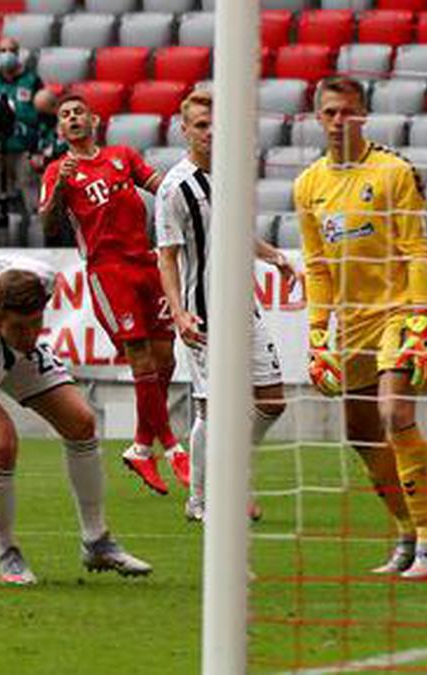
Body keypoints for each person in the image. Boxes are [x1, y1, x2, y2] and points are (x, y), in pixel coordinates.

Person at [0, 255, 152, 587]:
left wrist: (20, 334)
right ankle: (7, 552)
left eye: (36, 323)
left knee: (81, 422)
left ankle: (96, 541)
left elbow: (25, 329)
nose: (30, 336)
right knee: (0, 444)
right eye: (19, 327)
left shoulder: (43, 279)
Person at [292, 75, 427, 580]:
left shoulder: (395, 173)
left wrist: (420, 320)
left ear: (364, 116)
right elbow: (316, 266)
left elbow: (418, 250)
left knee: (393, 410)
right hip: (352, 321)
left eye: (350, 113)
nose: (340, 122)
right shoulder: (308, 185)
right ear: (319, 117)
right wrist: (318, 334)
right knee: (360, 434)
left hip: (399, 310)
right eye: (331, 113)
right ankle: (406, 530)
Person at [39, 94, 190, 497]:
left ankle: (142, 446)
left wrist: (190, 196)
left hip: (147, 262)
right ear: (60, 130)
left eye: (78, 113)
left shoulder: (123, 156)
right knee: (139, 352)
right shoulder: (59, 170)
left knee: (165, 356)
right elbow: (48, 224)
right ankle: (173, 448)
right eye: (65, 116)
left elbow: (162, 187)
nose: (72, 119)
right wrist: (60, 188)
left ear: (94, 119)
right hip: (108, 271)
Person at [155, 90, 294, 522]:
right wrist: (178, 312)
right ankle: (201, 499)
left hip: (244, 307)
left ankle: (229, 476)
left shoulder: (231, 174)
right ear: (185, 130)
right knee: (211, 408)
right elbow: (167, 255)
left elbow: (233, 234)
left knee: (272, 401)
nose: (210, 131)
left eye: (215, 123)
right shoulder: (174, 187)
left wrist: (276, 257)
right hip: (203, 314)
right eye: (200, 124)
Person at [0, 37, 42, 246]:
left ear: (18, 54)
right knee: (1, 202)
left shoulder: (32, 81)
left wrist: (37, 149)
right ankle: (3, 245)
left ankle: (40, 244)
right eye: (3, 50)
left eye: (11, 50)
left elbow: (43, 116)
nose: (7, 54)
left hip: (24, 151)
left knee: (33, 202)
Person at [29, 88, 71, 247]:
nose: (40, 116)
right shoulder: (42, 127)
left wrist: (46, 157)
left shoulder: (68, 123)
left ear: (54, 107)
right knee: (49, 229)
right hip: (48, 183)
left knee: (66, 232)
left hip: (69, 185)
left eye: (43, 111)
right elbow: (38, 150)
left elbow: (61, 149)